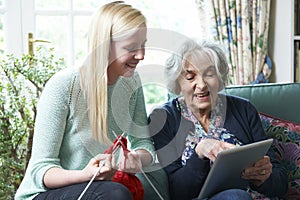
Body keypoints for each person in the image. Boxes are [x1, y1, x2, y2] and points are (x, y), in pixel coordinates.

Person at [15, 1, 168, 200]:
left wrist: (137, 159)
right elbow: (40, 170)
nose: (141, 55)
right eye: (131, 47)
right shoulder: (64, 86)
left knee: (157, 178)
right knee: (115, 193)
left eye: (143, 44)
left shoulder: (132, 82)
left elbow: (143, 143)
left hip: (100, 188)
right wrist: (85, 175)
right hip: (47, 193)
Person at [148, 39, 288, 200]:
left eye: (209, 74)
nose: (201, 85)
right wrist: (199, 152)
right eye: (190, 76)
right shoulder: (163, 119)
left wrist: (264, 177)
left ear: (220, 78)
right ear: (177, 82)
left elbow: (281, 184)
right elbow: (177, 193)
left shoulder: (244, 109)